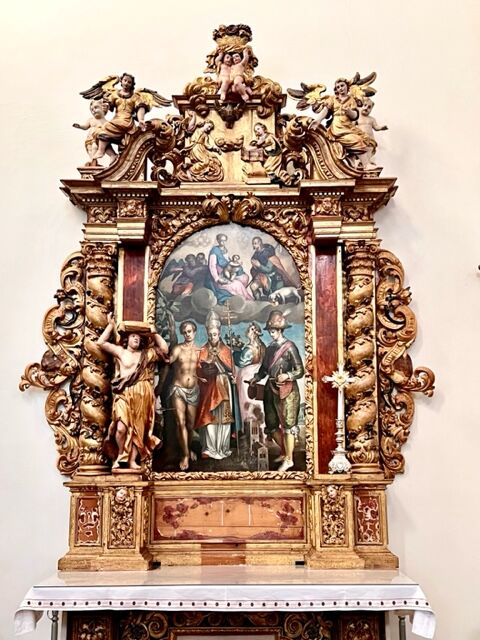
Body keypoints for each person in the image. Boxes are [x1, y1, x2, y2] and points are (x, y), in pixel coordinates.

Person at [98, 314, 168, 470]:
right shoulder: (121, 352)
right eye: (133, 336)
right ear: (127, 339)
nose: (136, 338)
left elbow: (164, 349)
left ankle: (131, 461)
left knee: (138, 430)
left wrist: (153, 333)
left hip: (142, 394)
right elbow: (101, 342)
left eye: (138, 337)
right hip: (124, 393)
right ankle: (120, 455)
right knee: (120, 428)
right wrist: (110, 325)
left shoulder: (146, 354)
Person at [248, 310, 304, 472]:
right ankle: (285, 452)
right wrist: (256, 378)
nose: (271, 334)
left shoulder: (290, 347)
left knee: (288, 425)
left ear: (280, 330)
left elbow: (300, 370)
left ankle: (289, 460)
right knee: (272, 425)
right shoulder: (270, 348)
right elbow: (264, 369)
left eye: (273, 331)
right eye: (270, 331)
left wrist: (288, 375)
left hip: (287, 390)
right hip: (270, 389)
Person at [195, 312, 236, 460]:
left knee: (224, 418)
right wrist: (204, 369)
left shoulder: (226, 350)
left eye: (215, 335)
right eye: (210, 335)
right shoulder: (203, 350)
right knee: (210, 416)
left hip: (223, 384)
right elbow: (198, 369)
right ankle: (209, 448)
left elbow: (231, 368)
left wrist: (229, 371)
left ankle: (223, 447)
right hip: (209, 387)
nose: (212, 337)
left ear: (219, 334)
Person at [310, 78, 375, 169]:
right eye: (338, 87)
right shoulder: (332, 99)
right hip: (338, 127)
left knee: (365, 140)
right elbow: (325, 110)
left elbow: (355, 115)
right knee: (357, 140)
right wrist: (318, 121)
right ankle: (366, 165)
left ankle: (357, 163)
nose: (340, 88)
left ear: (347, 86)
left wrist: (349, 112)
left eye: (342, 86)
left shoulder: (351, 100)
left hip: (348, 126)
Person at [92, 73, 150, 162]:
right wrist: (105, 106)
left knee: (105, 127)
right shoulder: (115, 94)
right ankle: (112, 155)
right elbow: (108, 105)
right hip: (116, 120)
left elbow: (140, 107)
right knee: (97, 133)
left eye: (129, 82)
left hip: (126, 122)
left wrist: (141, 120)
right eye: (125, 80)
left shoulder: (135, 97)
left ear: (132, 85)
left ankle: (101, 150)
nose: (126, 83)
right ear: (121, 81)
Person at [168, 320, 200, 471]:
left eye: (190, 331)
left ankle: (188, 448)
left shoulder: (200, 350)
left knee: (190, 424)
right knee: (180, 422)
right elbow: (168, 361)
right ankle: (185, 455)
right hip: (178, 389)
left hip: (194, 390)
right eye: (185, 332)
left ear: (194, 332)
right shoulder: (178, 349)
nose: (187, 334)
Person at [206, 233, 253, 304]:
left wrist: (234, 263)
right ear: (218, 240)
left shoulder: (225, 249)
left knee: (245, 277)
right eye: (221, 240)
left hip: (227, 269)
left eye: (224, 241)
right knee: (237, 284)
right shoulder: (215, 250)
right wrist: (217, 279)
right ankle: (243, 298)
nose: (223, 242)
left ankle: (239, 294)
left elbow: (227, 260)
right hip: (219, 274)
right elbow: (212, 266)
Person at [72, 99, 117, 166]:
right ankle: (93, 161)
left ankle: (112, 156)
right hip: (90, 138)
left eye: (96, 107)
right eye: (92, 110)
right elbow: (85, 127)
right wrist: (79, 126)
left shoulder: (107, 122)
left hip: (101, 140)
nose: (93, 111)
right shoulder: (91, 120)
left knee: (99, 147)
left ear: (103, 108)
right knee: (90, 149)